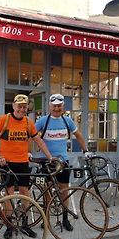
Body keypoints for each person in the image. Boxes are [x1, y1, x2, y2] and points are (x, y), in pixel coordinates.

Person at [0, 94, 53, 239]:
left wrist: (49, 157)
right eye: (19, 106)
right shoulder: (4, 120)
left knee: (25, 193)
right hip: (7, 163)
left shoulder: (28, 122)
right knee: (9, 194)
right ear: (14, 106)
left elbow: (38, 140)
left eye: (24, 107)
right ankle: (9, 226)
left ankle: (25, 224)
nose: (22, 109)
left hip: (23, 162)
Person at [35, 93, 88, 231]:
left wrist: (85, 150)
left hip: (63, 161)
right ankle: (45, 219)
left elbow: (79, 135)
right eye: (54, 106)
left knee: (64, 190)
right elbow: (31, 136)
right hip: (46, 161)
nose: (57, 108)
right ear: (50, 106)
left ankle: (65, 219)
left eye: (59, 106)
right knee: (47, 191)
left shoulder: (67, 121)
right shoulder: (42, 121)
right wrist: (29, 152)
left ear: (63, 106)